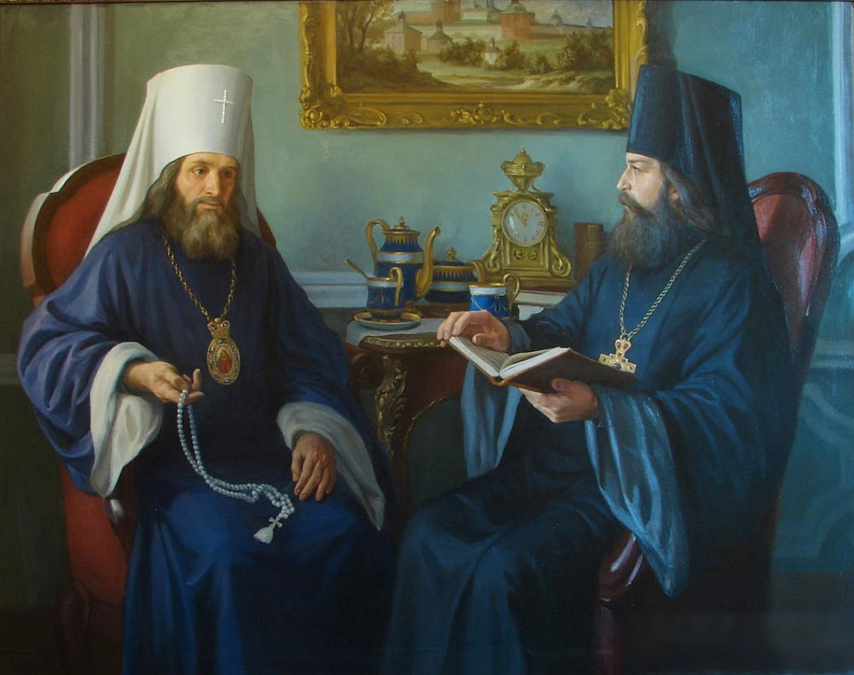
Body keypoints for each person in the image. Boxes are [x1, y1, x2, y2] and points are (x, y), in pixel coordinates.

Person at [382, 64, 798, 673]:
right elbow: (561, 328)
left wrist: (604, 408)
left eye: (638, 168)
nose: (621, 183)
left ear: (680, 185)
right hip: (554, 468)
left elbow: (731, 416)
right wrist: (506, 334)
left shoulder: (735, 282)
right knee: (429, 533)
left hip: (629, 489)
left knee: (504, 568)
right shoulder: (622, 260)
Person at [18, 64, 393, 673]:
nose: (215, 188)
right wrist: (135, 372)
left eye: (227, 173)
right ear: (171, 176)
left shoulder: (258, 261)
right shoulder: (125, 255)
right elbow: (52, 344)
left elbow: (309, 355)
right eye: (199, 171)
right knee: (227, 556)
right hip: (179, 468)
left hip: (270, 457)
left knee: (344, 533)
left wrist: (313, 429)